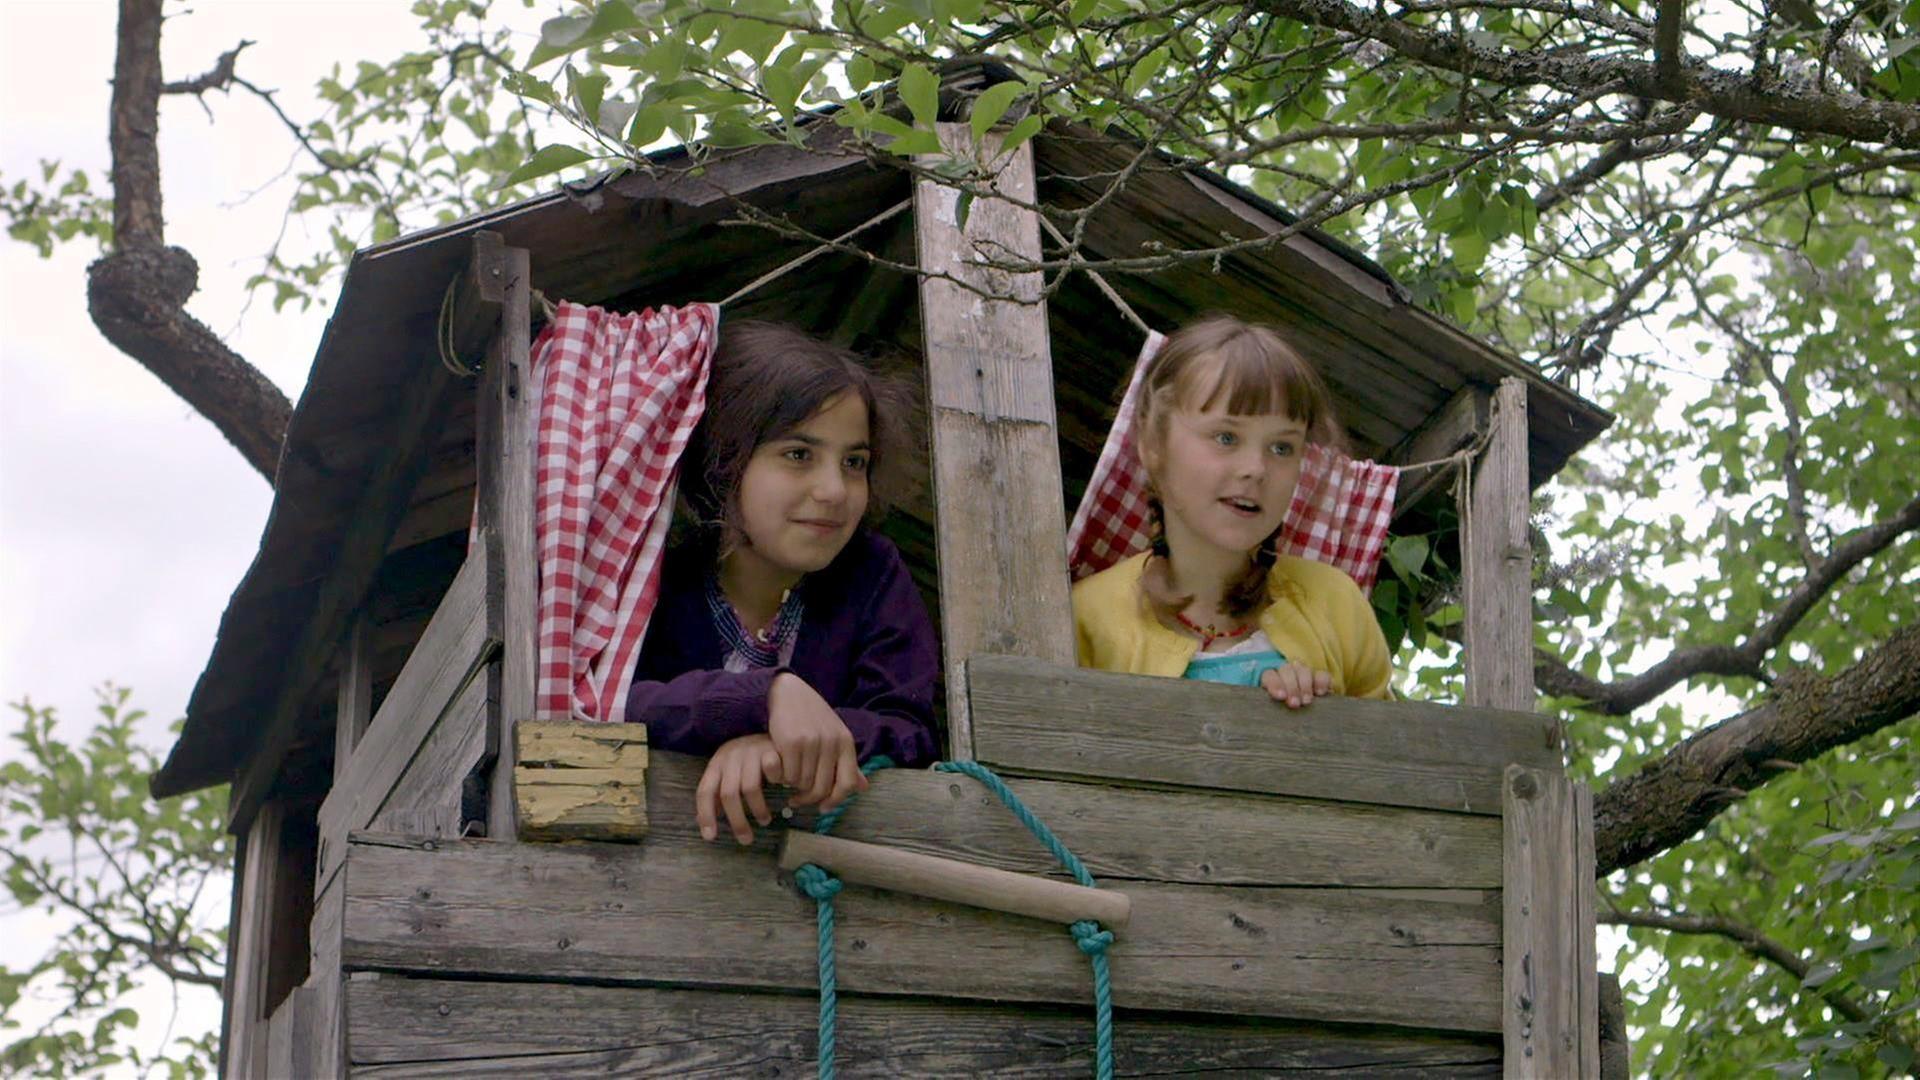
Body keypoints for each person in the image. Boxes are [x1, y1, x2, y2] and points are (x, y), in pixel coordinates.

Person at [625, 321, 939, 844]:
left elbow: (909, 731)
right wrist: (764, 698)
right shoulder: (652, 578)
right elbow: (615, 704)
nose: (834, 490)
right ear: (725, 461)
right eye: (799, 455)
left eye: (854, 462)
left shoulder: (872, 572)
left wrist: (782, 746)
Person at [1073, 314, 1393, 706]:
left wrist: (1322, 717)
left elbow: (1391, 741)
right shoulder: (1086, 618)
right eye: (1226, 437)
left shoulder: (1335, 603)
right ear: (1153, 445)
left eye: (1282, 447)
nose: (1255, 469)